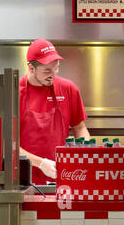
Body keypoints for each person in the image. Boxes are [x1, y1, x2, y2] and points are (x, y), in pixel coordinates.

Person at [19, 38, 89, 183]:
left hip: (61, 177)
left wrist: (85, 154)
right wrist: (41, 163)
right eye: (47, 70)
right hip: (24, 180)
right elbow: (7, 145)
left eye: (56, 68)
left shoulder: (68, 89)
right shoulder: (14, 93)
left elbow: (80, 128)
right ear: (31, 68)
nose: (53, 74)